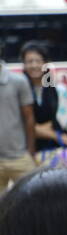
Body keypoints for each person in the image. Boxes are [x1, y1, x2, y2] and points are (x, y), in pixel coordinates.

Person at [20, 42, 67, 163]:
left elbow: (62, 122)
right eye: (29, 61)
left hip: (54, 153)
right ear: (24, 64)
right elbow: (18, 127)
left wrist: (34, 128)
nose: (34, 65)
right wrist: (52, 134)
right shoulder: (18, 90)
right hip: (24, 154)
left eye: (38, 61)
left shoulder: (59, 90)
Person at [0, 51, 36, 188]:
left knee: (30, 202)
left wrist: (30, 151)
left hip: (19, 157)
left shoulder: (18, 81)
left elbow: (29, 117)